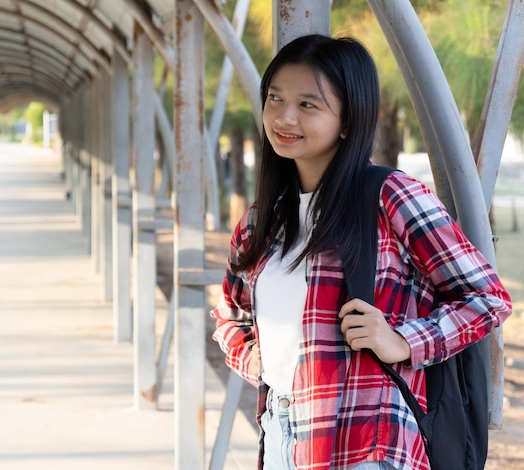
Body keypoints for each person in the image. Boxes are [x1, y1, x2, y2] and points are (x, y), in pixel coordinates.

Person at [210, 34, 512, 470]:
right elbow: (230, 311)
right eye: (275, 98)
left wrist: (404, 341)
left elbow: (486, 299)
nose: (284, 116)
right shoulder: (262, 219)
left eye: (308, 105)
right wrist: (262, 363)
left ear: (348, 121)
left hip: (368, 436)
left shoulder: (391, 197)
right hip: (281, 430)